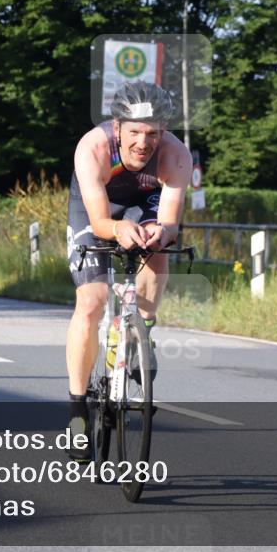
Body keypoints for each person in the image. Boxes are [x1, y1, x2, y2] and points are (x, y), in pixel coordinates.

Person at [64, 81, 191, 461]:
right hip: (98, 208)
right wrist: (118, 229)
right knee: (92, 300)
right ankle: (77, 414)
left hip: (145, 202)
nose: (143, 142)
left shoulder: (175, 155)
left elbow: (169, 221)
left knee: (158, 248)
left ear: (163, 132)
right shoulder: (93, 147)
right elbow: (101, 220)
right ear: (116, 127)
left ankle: (143, 334)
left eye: (152, 133)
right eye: (134, 131)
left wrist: (161, 232)